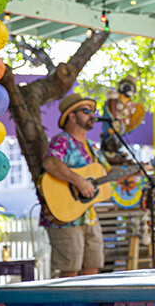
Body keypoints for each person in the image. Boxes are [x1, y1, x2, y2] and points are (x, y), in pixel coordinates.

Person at [39, 93, 109, 278]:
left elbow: (106, 175)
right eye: (86, 111)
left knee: (93, 268)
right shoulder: (62, 141)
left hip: (89, 215)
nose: (92, 115)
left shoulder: (92, 147)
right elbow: (51, 163)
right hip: (64, 215)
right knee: (69, 271)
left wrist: (137, 172)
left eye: (92, 112)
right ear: (72, 116)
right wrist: (79, 181)